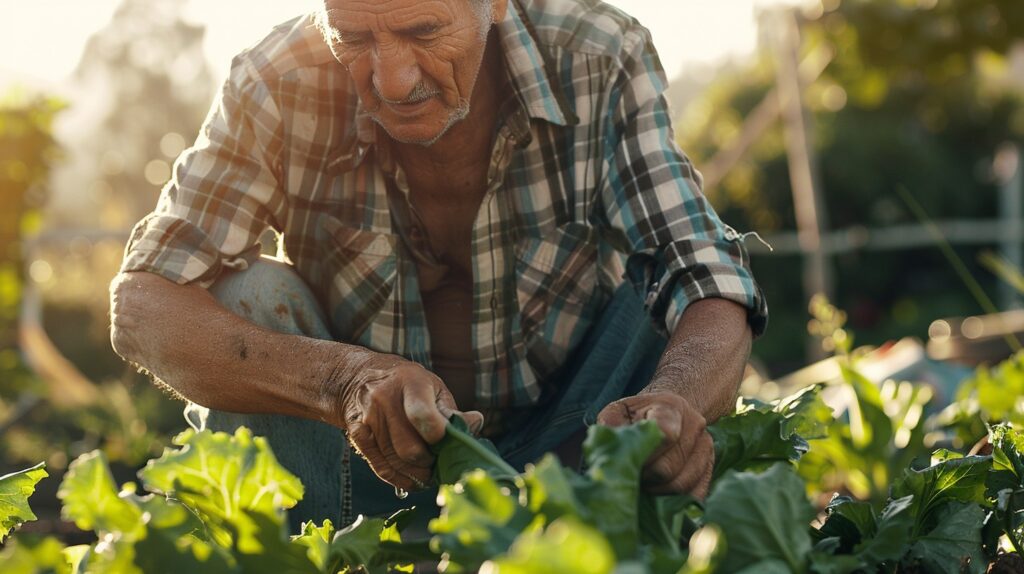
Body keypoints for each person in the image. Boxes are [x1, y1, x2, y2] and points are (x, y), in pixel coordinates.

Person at [109, 0, 767, 531]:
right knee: (249, 292)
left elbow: (706, 269)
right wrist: (344, 382)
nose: (392, 80)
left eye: (423, 29)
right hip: (359, 475)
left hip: (577, 452)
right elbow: (141, 303)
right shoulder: (278, 78)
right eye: (355, 37)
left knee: (661, 299)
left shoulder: (600, 53)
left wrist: (676, 403)